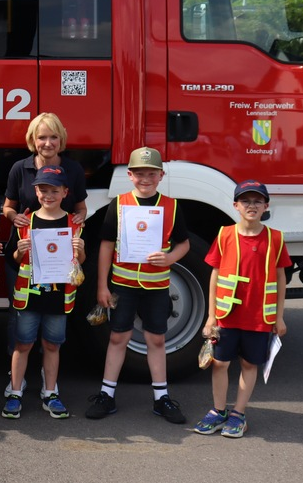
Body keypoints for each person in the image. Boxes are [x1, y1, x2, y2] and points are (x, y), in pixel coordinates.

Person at [86, 147, 189, 424]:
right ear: (130, 175)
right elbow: (106, 245)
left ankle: (161, 397)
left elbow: (184, 243)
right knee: (119, 337)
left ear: (161, 175)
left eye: (151, 173)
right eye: (140, 173)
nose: (146, 178)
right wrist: (102, 287)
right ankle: (107, 394)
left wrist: (170, 257)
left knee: (156, 339)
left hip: (157, 285)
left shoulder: (172, 205)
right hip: (123, 283)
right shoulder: (118, 204)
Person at [0, 112, 88, 399]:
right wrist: (15, 219)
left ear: (61, 139)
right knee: (20, 326)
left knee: (52, 334)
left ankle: (48, 383)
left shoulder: (72, 169)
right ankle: (16, 381)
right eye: (41, 137)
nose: (47, 143)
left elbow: (81, 208)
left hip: (59, 257)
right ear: (32, 140)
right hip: (24, 253)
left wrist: (76, 229)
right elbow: (8, 206)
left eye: (53, 137)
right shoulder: (19, 168)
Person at [193, 180, 288, 438]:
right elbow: (214, 275)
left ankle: (239, 413)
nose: (251, 205)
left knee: (249, 363)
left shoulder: (275, 238)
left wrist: (279, 316)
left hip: (259, 318)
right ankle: (218, 410)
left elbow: (280, 278)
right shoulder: (225, 235)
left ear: (266, 206)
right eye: (245, 201)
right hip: (226, 316)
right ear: (235, 205)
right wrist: (211, 316)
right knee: (220, 363)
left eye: (257, 201)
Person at [5, 166, 84, 420]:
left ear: (65, 192)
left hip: (59, 298)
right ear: (35, 191)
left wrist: (80, 249)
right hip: (29, 296)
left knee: (52, 345)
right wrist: (19, 250)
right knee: (23, 344)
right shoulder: (25, 221)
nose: (48, 195)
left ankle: (50, 392)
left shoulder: (74, 223)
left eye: (54, 190)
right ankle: (15, 393)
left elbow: (80, 261)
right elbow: (14, 260)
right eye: (43, 190)